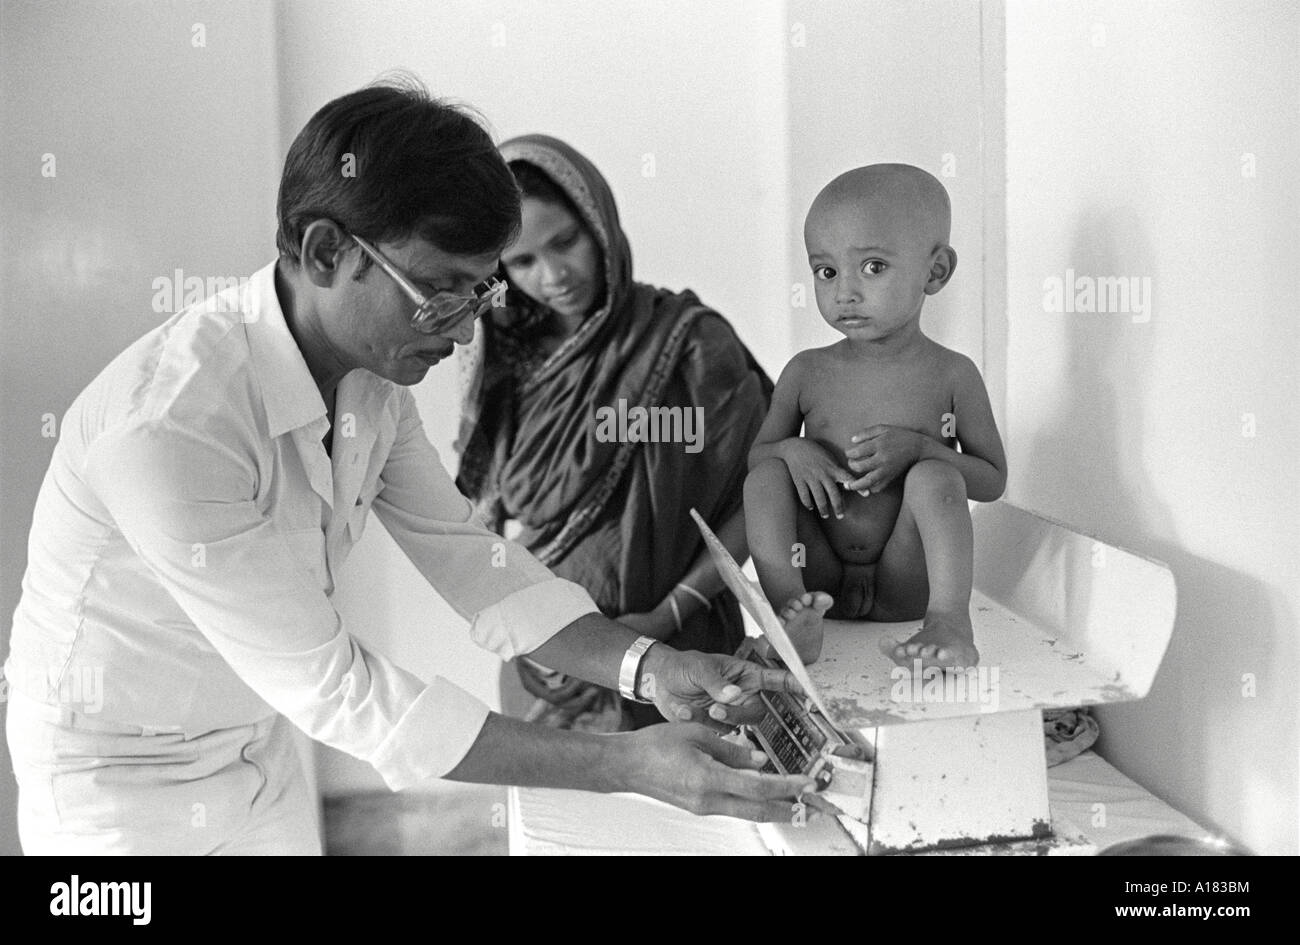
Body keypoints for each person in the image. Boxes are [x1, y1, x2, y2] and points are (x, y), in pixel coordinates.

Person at [1, 81, 814, 855]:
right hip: (119, 786)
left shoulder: (369, 376)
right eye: (439, 291)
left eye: (476, 295)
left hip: (254, 742)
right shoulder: (170, 428)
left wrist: (650, 668)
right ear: (326, 252)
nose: (464, 333)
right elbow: (339, 688)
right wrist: (630, 766)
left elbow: (473, 556)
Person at [455, 134, 772, 731]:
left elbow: (763, 492)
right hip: (551, 665)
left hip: (688, 652)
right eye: (522, 262)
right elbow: (483, 522)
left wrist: (668, 613)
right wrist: (532, 631)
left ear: (599, 224)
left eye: (565, 242)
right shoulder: (505, 366)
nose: (552, 275)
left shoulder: (691, 345)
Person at [744, 164, 1007, 670]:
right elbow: (758, 457)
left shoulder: (953, 374)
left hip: (903, 581)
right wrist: (790, 450)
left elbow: (992, 480)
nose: (844, 292)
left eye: (872, 268)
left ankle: (950, 621)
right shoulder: (806, 371)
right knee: (766, 479)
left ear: (935, 272)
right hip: (818, 579)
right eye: (826, 272)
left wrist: (923, 450)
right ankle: (787, 618)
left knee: (935, 476)